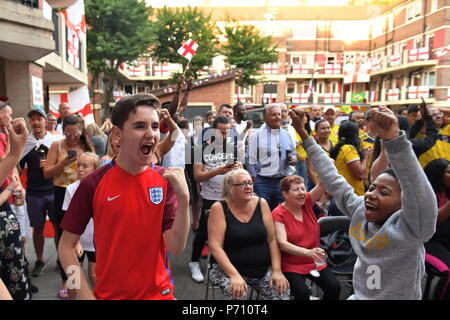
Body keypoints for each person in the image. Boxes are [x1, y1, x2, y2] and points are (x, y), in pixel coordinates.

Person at [290, 106, 438, 299]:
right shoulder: (361, 210)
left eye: (384, 192)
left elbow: (417, 189)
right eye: (371, 188)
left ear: (404, 202)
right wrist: (303, 133)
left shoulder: (413, 226)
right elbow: (332, 178)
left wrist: (394, 139)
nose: (371, 195)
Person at [58, 93, 190, 300]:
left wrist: (184, 201)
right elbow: (65, 247)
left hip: (160, 295)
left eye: (155, 127)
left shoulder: (166, 180)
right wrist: (84, 294)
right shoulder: (93, 183)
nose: (151, 134)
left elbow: (175, 247)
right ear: (117, 135)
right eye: (140, 126)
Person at [208, 168, 290, 300]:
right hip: (227, 270)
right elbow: (215, 247)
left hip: (261, 270)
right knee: (236, 294)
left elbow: (272, 240)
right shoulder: (219, 208)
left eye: (250, 183)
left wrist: (277, 270)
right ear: (230, 188)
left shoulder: (261, 203)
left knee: (281, 291)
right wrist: (234, 275)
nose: (248, 187)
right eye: (242, 184)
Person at [43, 114, 94, 299]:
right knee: (64, 236)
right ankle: (67, 277)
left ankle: (90, 274)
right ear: (63, 130)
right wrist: (63, 164)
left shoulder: (86, 144)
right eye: (68, 133)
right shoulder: (57, 145)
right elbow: (47, 173)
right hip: (62, 192)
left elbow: (95, 166)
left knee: (86, 233)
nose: (72, 137)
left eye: (76, 134)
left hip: (84, 192)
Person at [272, 175, 341, 300]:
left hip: (314, 261)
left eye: (303, 189)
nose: (301, 193)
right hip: (291, 264)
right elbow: (283, 244)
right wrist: (308, 252)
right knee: (302, 294)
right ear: (285, 194)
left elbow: (322, 184)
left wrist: (325, 167)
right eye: (296, 190)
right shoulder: (278, 214)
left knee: (334, 287)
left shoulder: (307, 201)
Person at [189, 116, 239, 283]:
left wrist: (238, 169)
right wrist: (218, 171)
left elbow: (240, 170)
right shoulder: (200, 150)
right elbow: (197, 176)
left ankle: (218, 265)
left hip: (230, 198)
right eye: (221, 133)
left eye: (227, 133)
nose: (224, 137)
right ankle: (194, 262)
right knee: (204, 232)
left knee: (228, 232)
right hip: (210, 199)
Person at [19, 109, 60, 277]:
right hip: (34, 193)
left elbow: (63, 165)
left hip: (54, 191)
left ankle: (61, 259)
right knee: (38, 228)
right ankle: (40, 259)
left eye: (39, 119)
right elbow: (18, 166)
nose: (35, 123)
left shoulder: (56, 142)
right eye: (32, 120)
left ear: (45, 121)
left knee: (59, 227)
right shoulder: (26, 144)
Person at [0, 116, 33, 300]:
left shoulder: (5, 137)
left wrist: (17, 185)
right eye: (8, 114)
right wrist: (14, 153)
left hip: (8, 215)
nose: (11, 119)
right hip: (5, 210)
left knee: (15, 268)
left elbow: (12, 170)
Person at [62, 152, 100, 299]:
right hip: (75, 241)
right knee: (73, 276)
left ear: (95, 170)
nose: (80, 169)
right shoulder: (71, 189)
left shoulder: (100, 188)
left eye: (85, 166)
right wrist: (76, 242)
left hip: (95, 241)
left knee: (94, 275)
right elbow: (68, 220)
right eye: (78, 165)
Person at [247, 104, 296, 210]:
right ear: (265, 118)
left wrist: (293, 159)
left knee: (281, 212)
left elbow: (293, 154)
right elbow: (250, 160)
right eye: (274, 114)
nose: (278, 117)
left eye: (279, 114)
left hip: (283, 181)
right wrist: (254, 180)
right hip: (263, 182)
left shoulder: (286, 134)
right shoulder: (257, 136)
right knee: (261, 212)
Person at [423, 158, 450, 299]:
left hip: (445, 242)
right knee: (448, 273)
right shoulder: (428, 196)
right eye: (449, 172)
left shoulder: (447, 192)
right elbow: (433, 222)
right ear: (438, 175)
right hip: (429, 242)